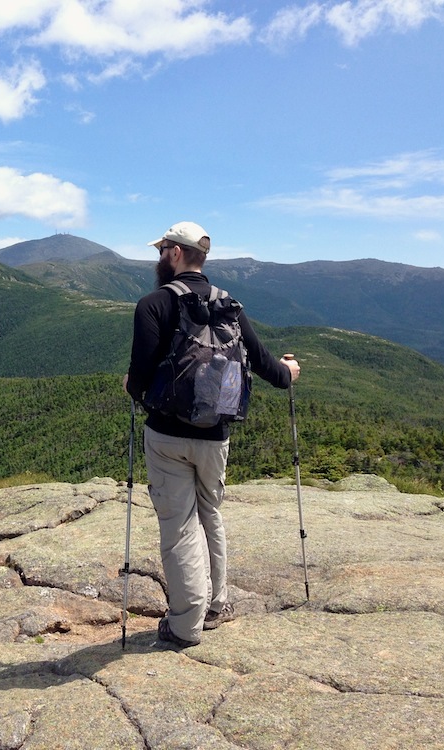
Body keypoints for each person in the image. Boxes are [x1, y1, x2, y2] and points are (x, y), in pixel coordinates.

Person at [124, 221, 300, 648]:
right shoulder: (230, 306)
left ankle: (185, 625)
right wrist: (290, 371)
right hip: (216, 436)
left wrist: (131, 382)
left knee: (179, 526)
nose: (159, 256)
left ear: (175, 254)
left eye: (162, 249)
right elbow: (267, 367)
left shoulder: (153, 305)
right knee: (210, 515)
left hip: (167, 436)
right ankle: (216, 604)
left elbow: (139, 381)